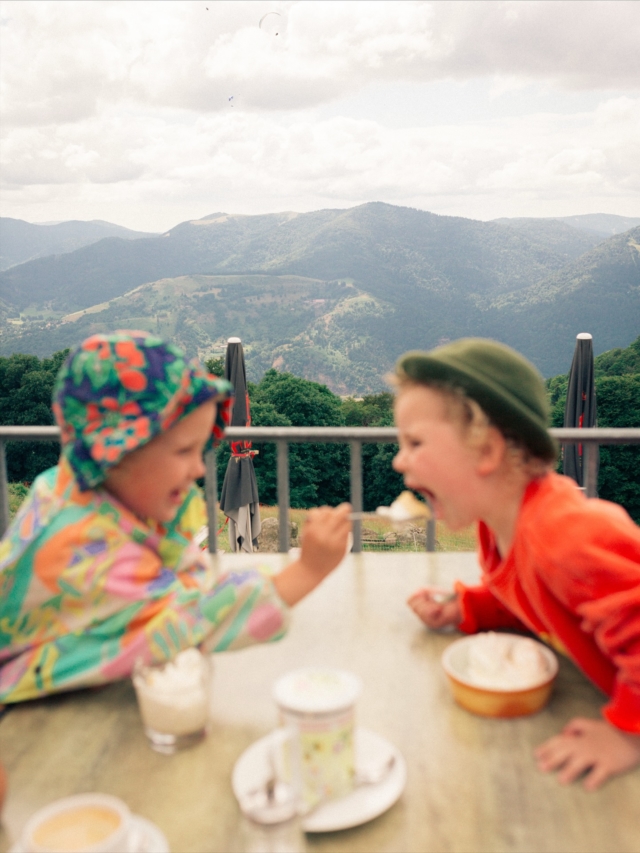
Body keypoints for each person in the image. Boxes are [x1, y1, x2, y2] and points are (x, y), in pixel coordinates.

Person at [0, 332, 351, 703]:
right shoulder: (81, 545)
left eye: (201, 449)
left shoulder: (99, 492)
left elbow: (180, 572)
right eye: (184, 450)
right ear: (117, 450)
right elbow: (188, 624)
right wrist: (306, 571)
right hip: (25, 721)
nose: (199, 468)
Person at [393, 337, 640, 791]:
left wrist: (627, 736)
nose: (398, 460)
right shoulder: (500, 530)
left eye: (414, 442)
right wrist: (470, 608)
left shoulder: (565, 537)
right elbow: (537, 596)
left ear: (486, 452)